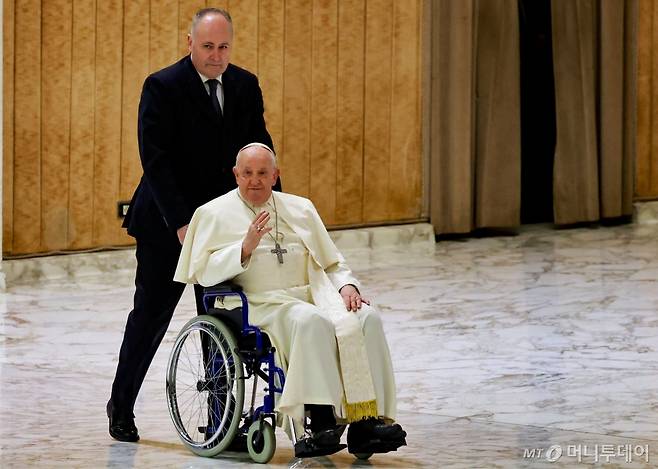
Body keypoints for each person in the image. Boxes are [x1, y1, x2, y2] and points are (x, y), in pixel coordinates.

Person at [174, 143, 407, 458]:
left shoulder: (301, 208)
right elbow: (202, 273)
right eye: (247, 173)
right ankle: (320, 420)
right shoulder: (212, 213)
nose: (254, 180)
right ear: (235, 174)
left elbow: (331, 262)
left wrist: (347, 286)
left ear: (275, 175)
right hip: (258, 303)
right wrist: (244, 247)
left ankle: (366, 422)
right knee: (310, 321)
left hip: (311, 294)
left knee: (366, 317)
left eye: (262, 173)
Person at [108, 8, 275, 443]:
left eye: (223, 47)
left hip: (223, 226)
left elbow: (260, 152)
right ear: (189, 43)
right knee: (150, 316)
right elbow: (156, 162)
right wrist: (183, 224)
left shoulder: (244, 84)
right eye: (207, 47)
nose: (216, 56)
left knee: (220, 320)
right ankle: (121, 405)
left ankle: (219, 421)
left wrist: (272, 208)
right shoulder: (162, 86)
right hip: (169, 224)